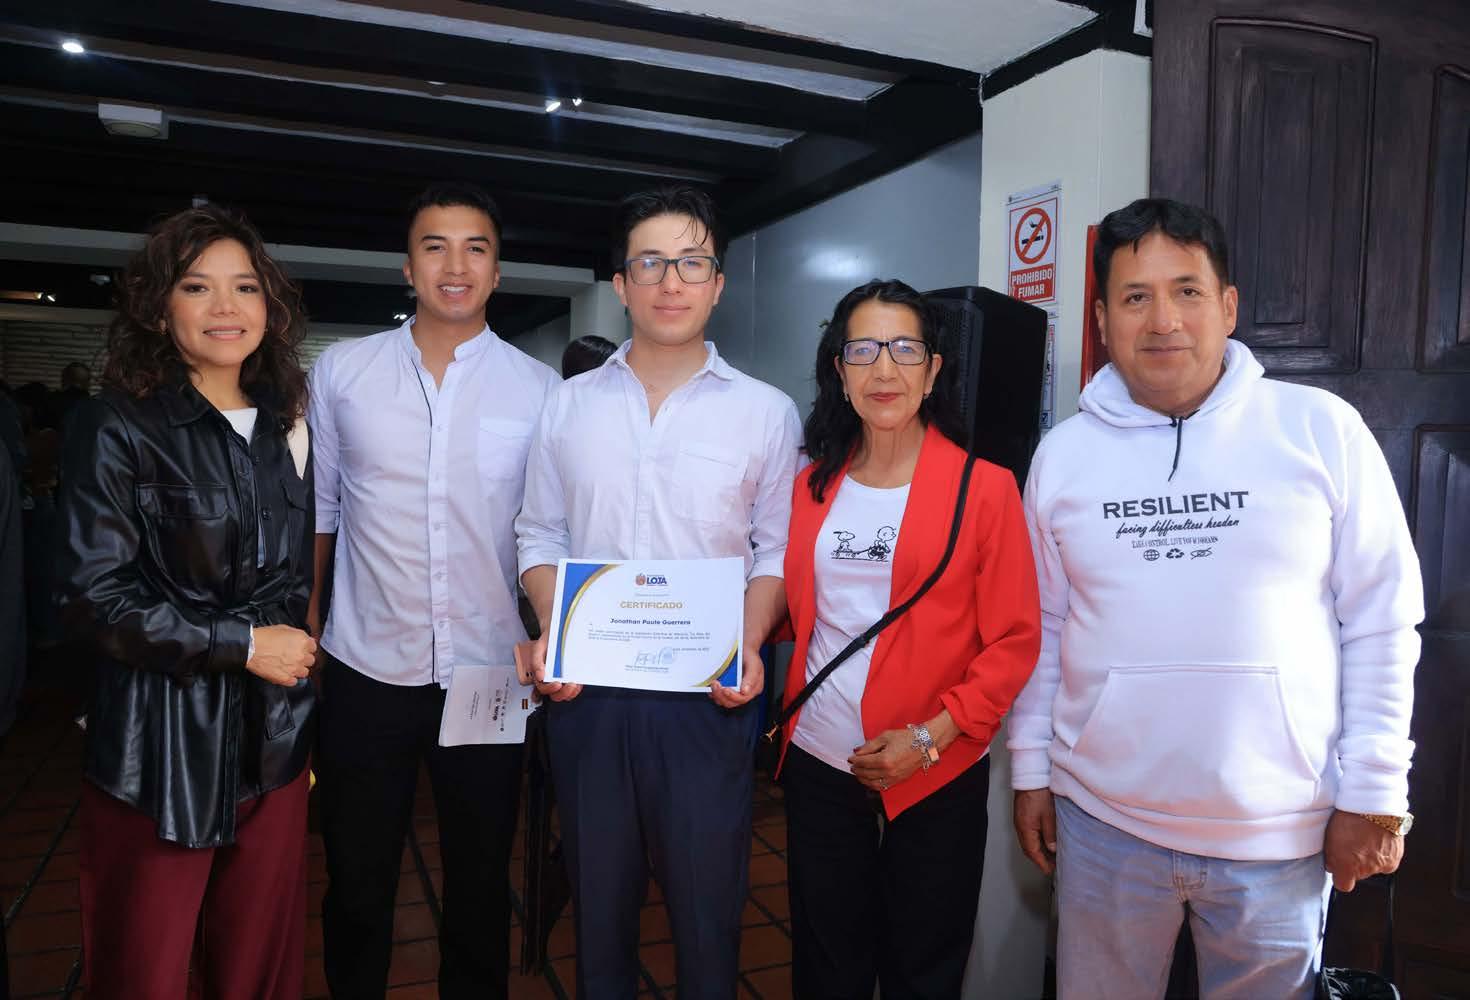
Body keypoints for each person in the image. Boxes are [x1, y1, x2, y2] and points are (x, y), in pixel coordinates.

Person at [1007, 198, 1424, 999]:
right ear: (1103, 320)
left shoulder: (1321, 429)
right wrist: (1031, 769)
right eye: (1135, 297)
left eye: (1188, 291)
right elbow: (1045, 625)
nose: (1163, 319)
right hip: (1102, 823)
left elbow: (1382, 619)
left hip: (1279, 832)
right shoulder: (1062, 456)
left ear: (1228, 307)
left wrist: (1375, 793)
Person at [515, 184, 801, 999]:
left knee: (708, 912)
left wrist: (749, 643)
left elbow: (776, 550)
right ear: (621, 283)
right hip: (589, 696)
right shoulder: (567, 407)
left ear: (718, 283)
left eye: (692, 263)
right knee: (599, 911)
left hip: (709, 697)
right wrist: (556, 628)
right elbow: (538, 534)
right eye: (650, 263)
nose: (671, 281)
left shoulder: (766, 413)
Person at [55, 204, 318, 999]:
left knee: (258, 966)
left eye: (245, 287)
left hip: (272, 739)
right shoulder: (117, 426)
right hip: (156, 743)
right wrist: (244, 645)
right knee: (145, 966)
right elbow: (94, 596)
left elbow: (291, 581)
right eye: (198, 287)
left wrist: (292, 680)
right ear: (159, 305)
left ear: (270, 307)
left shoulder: (283, 426)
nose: (225, 307)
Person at [309, 181, 558, 999]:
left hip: (491, 670)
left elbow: (551, 528)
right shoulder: (343, 372)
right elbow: (322, 514)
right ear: (407, 267)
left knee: (481, 882)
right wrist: (308, 632)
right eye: (435, 246)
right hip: (364, 666)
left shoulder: (540, 390)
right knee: (356, 879)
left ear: (497, 270)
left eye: (475, 248)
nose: (456, 265)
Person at [776, 279, 1041, 999]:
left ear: (933, 371)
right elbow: (793, 609)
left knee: (922, 969)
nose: (884, 369)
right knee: (825, 964)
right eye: (863, 350)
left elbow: (1014, 640)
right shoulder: (811, 488)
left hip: (935, 763)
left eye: (904, 349)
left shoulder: (985, 489)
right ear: (840, 371)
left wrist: (930, 738)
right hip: (820, 759)